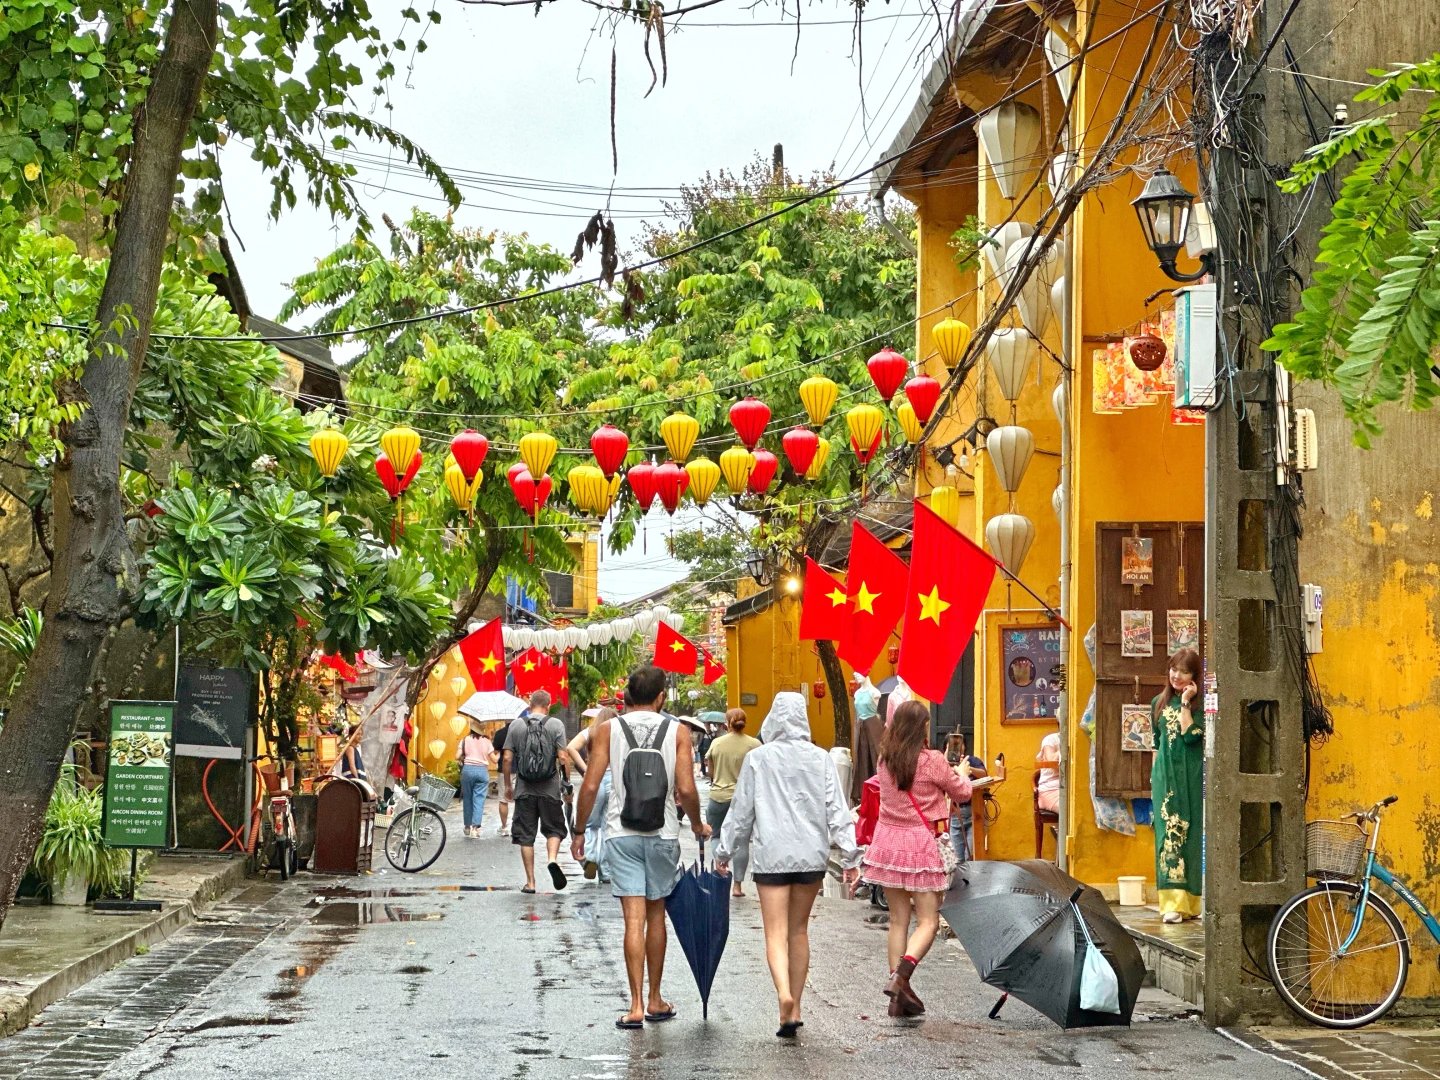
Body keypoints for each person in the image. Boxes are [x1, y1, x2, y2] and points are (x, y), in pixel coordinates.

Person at [716, 693, 861, 1038]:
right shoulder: (821, 758)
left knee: (775, 933)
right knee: (799, 931)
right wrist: (852, 856)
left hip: (772, 857)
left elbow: (741, 813)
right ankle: (795, 1005)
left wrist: (725, 852)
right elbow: (838, 810)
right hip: (811, 856)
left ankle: (782, 995)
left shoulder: (758, 759)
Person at [572, 666, 708, 1029]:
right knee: (655, 915)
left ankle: (633, 1006)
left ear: (628, 695)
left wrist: (580, 830)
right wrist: (695, 824)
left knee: (632, 919)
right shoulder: (678, 731)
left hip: (621, 832)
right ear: (661, 696)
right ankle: (655, 999)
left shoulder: (607, 730)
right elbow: (687, 789)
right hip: (662, 833)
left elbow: (589, 786)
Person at [861, 700, 973, 1017]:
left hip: (888, 843)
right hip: (921, 844)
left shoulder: (885, 761)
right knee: (929, 920)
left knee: (899, 921)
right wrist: (961, 773)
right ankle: (902, 976)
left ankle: (899, 997)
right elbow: (962, 793)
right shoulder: (932, 760)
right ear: (922, 727)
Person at [1151, 648, 1205, 923]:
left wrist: (1186, 702)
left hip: (1191, 778)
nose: (1176, 675)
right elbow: (1156, 744)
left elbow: (1192, 736)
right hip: (1164, 778)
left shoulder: (1202, 706)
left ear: (1195, 676)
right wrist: (1153, 779)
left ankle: (1192, 903)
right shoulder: (1157, 703)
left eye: (1184, 671)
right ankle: (1171, 903)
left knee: (1191, 835)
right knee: (1166, 836)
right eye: (1174, 669)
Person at [502, 690, 570, 894]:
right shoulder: (556, 724)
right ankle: (551, 859)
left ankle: (530, 882)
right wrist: (566, 784)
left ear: (529, 705)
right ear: (548, 705)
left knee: (526, 836)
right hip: (550, 790)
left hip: (524, 790)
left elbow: (506, 758)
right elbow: (564, 757)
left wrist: (507, 785)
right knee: (554, 829)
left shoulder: (516, 725)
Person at [705, 708, 760, 897]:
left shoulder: (716, 743)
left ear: (727, 723)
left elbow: (710, 774)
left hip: (718, 797)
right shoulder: (755, 745)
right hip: (743, 800)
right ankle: (737, 886)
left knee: (716, 835)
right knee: (742, 840)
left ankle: (722, 871)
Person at [566, 707, 616, 882]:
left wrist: (586, 769)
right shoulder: (617, 731)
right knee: (608, 827)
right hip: (613, 780)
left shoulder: (591, 731)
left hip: (594, 778)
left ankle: (590, 859)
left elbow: (571, 747)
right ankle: (607, 871)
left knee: (589, 824)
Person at [944, 732, 987, 860]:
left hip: (974, 812)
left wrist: (968, 768)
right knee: (957, 858)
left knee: (972, 855)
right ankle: (959, 880)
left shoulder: (972, 760)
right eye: (951, 744)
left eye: (960, 744)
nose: (957, 747)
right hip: (955, 814)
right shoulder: (943, 765)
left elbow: (984, 774)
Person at [455, 720, 494, 838]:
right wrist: (499, 752)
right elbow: (495, 759)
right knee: (479, 800)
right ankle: (475, 829)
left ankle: (467, 826)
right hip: (482, 771)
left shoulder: (465, 740)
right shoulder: (487, 741)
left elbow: (457, 756)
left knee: (467, 798)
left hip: (468, 770)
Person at [492, 719, 514, 836]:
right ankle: (518, 826)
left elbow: (495, 750)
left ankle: (504, 827)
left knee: (503, 799)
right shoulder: (521, 731)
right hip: (520, 769)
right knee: (520, 799)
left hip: (503, 769)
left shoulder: (500, 733)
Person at [1035, 729, 1061, 814]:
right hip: (1050, 790)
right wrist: (1066, 745)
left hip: (1070, 788)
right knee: (1069, 809)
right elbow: (1052, 761)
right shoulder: (1050, 740)